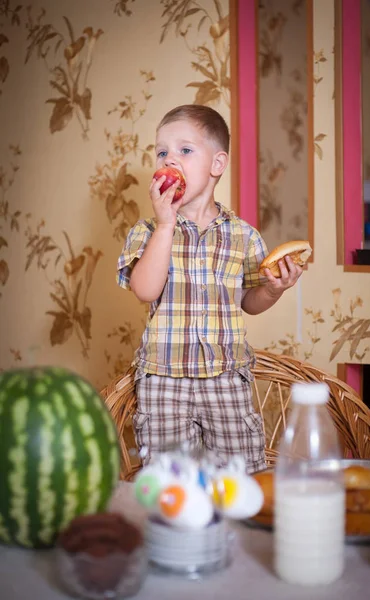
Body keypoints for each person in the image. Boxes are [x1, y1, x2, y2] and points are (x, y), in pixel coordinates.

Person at [116, 104, 303, 473]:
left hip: (226, 375)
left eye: (185, 150)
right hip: (164, 378)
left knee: (241, 475)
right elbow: (145, 290)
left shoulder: (244, 235)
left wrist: (275, 289)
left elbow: (250, 301)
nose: (170, 159)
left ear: (217, 164)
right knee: (170, 481)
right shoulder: (149, 231)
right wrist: (166, 224)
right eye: (162, 152)